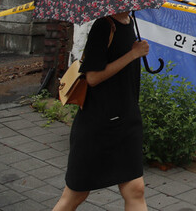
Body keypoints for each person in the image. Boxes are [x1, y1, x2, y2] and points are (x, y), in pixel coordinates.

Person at [53, 12, 150, 211]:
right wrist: (132, 54)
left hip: (126, 120)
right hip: (98, 124)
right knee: (76, 194)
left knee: (136, 189)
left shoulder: (129, 21)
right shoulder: (104, 26)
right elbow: (93, 78)